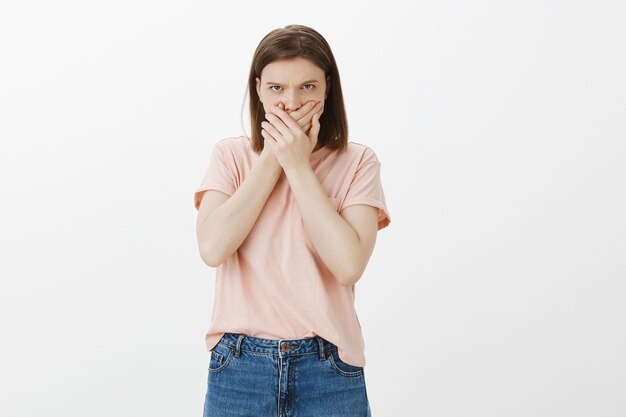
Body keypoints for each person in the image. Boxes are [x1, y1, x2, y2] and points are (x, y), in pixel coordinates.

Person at [193, 24, 391, 417]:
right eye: (277, 88)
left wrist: (299, 166)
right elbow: (213, 248)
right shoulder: (231, 156)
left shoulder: (357, 162)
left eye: (308, 87)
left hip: (329, 367)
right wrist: (272, 158)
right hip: (240, 365)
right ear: (258, 89)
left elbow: (349, 265)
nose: (291, 102)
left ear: (327, 88)